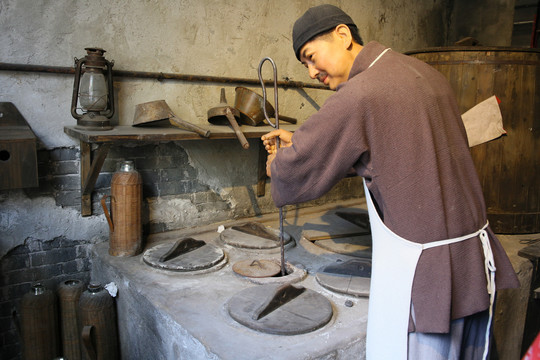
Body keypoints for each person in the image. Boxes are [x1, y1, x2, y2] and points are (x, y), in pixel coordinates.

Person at [261, 4, 519, 360]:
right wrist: (305, 141)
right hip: (474, 263)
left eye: (310, 56)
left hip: (427, 281)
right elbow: (400, 155)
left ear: (342, 34)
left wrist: (277, 164)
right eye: (305, 64)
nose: (310, 71)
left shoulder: (360, 93)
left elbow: (296, 169)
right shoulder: (423, 73)